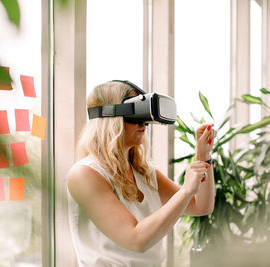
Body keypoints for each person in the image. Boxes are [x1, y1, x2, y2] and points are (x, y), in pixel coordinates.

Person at [67, 81, 216, 266]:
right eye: (134, 112)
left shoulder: (144, 172)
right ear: (109, 117)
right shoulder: (85, 173)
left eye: (144, 114)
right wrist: (185, 191)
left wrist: (203, 155)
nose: (143, 122)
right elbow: (136, 239)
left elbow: (200, 206)